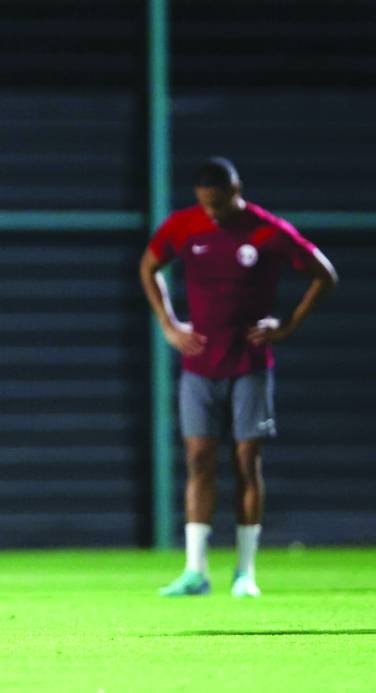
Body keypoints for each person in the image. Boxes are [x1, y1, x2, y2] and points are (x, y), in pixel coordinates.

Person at [139, 157, 337, 598]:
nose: (212, 212)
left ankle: (245, 571)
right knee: (198, 461)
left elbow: (324, 274)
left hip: (248, 363)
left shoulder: (266, 230)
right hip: (199, 366)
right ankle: (195, 571)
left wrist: (285, 327)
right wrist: (169, 324)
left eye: (219, 203)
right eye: (205, 204)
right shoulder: (184, 226)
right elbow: (148, 266)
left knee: (247, 462)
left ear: (236, 190)